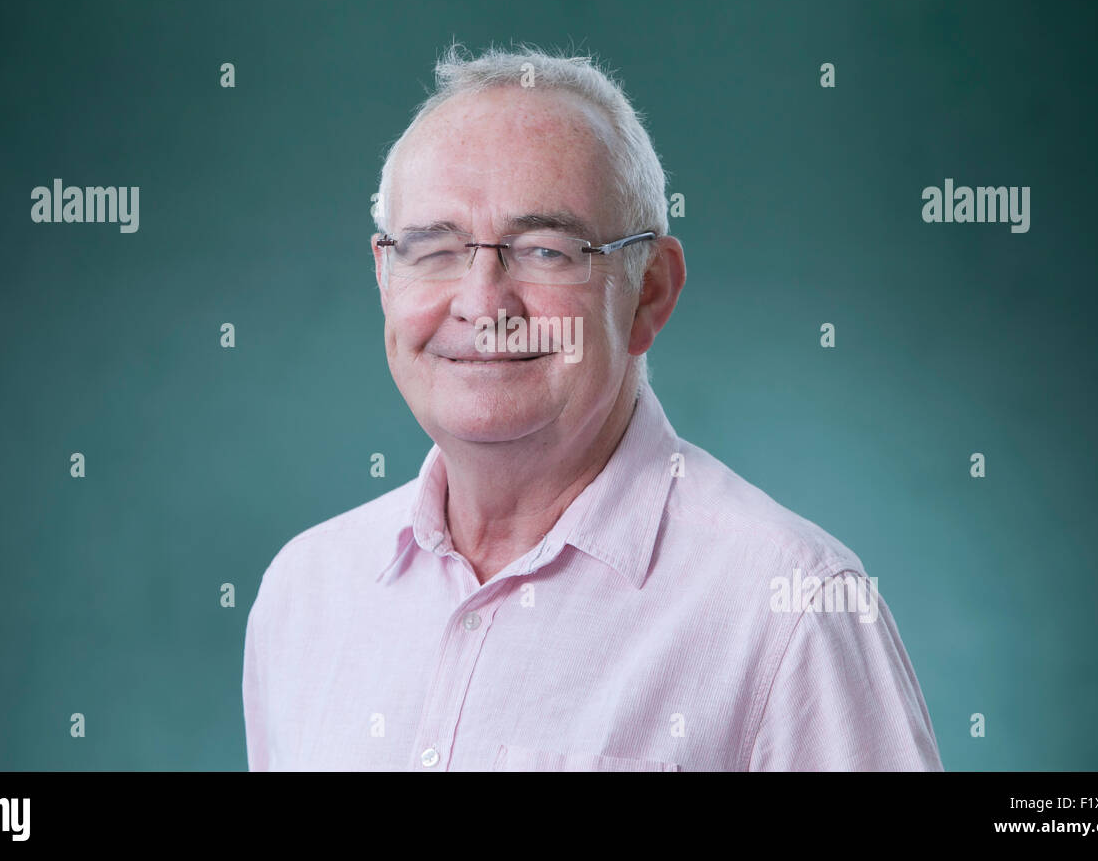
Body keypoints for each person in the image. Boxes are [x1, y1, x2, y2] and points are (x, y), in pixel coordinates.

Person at [243, 42, 943, 771]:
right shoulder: (305, 591)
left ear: (650, 292)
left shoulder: (795, 610)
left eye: (546, 250)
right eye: (434, 248)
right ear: (385, 278)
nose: (484, 304)